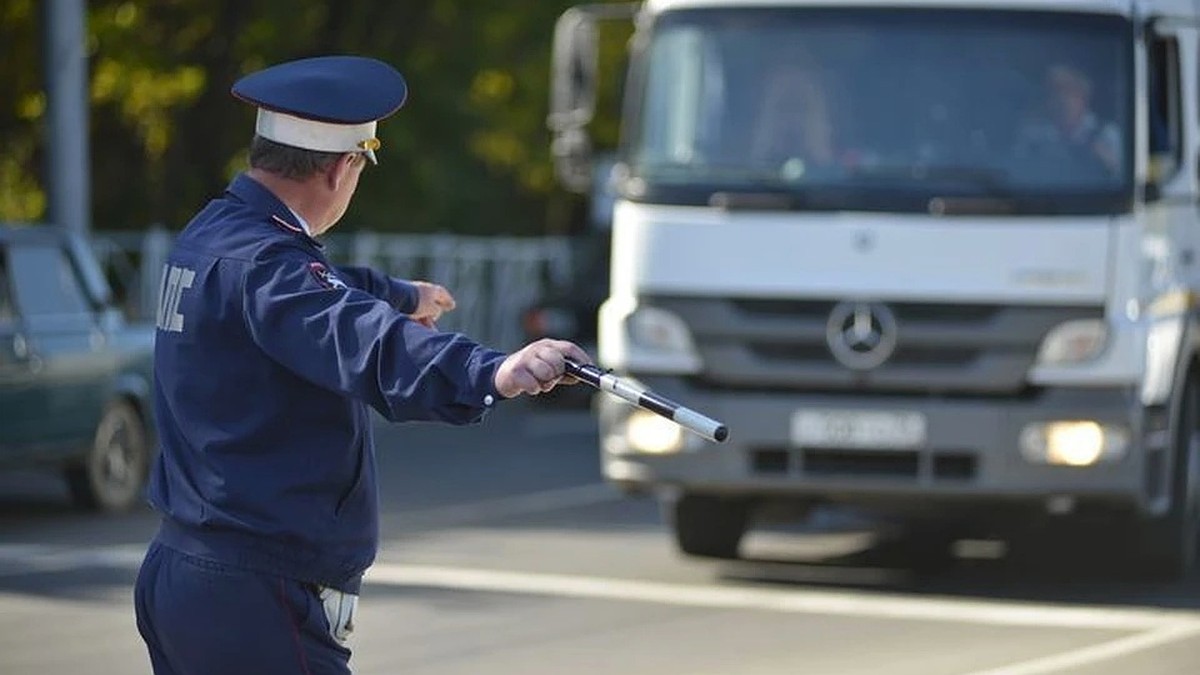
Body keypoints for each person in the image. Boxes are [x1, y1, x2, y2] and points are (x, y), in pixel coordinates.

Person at [132, 55, 593, 675]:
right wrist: (492, 371)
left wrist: (398, 293)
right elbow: (365, 340)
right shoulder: (271, 267)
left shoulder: (215, 234)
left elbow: (315, 295)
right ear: (343, 166)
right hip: (255, 598)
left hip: (187, 575)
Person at [1013, 63, 1122, 178]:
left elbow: (1121, 175)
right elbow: (1017, 172)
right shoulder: (1032, 135)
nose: (1062, 99)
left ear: (1084, 97)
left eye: (1070, 92)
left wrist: (1106, 160)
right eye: (1055, 92)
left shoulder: (1107, 134)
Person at [749, 49, 837, 175]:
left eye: (801, 107)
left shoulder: (860, 182)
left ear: (826, 120)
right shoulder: (725, 183)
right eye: (782, 107)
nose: (792, 119)